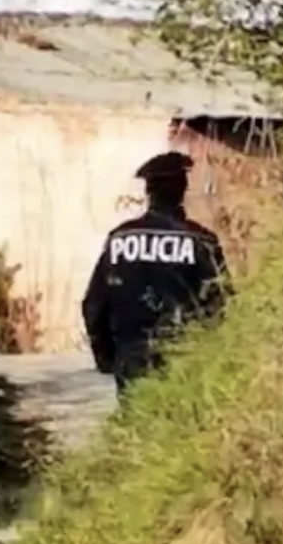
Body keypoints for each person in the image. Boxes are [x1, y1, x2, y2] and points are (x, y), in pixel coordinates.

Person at [81, 151, 232, 399]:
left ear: (148, 192)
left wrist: (106, 356)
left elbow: (94, 305)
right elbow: (221, 305)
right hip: (186, 357)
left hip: (132, 357)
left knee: (135, 419)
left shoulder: (120, 239)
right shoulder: (201, 241)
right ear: (183, 189)